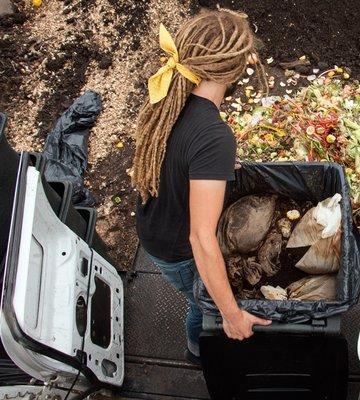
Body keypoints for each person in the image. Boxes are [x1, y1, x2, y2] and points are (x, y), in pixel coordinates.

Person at [132, 8, 271, 365]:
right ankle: (197, 348)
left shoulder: (170, 96)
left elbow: (175, 154)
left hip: (154, 224)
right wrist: (232, 315)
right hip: (177, 251)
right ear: (233, 70)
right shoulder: (212, 136)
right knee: (202, 303)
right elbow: (201, 240)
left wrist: (212, 169)